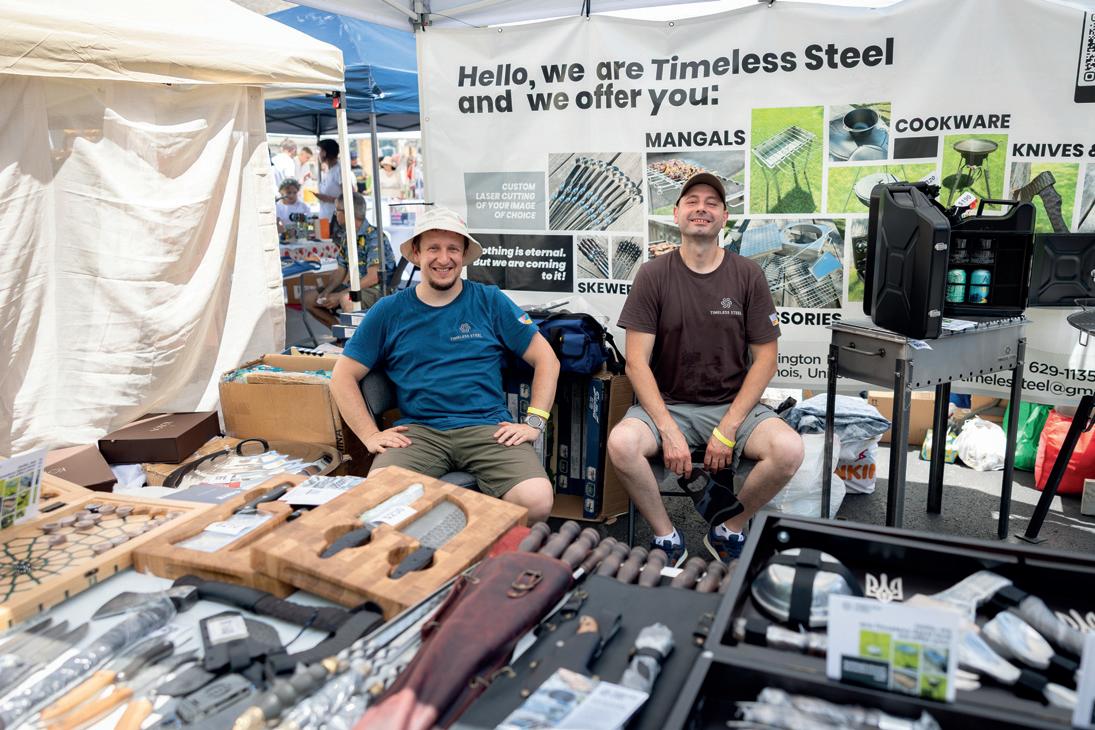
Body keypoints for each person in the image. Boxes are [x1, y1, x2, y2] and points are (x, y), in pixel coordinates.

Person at [606, 173, 804, 566]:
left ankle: (728, 528)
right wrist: (668, 430)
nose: (701, 208)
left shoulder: (748, 275)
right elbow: (636, 363)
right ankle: (666, 536)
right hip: (667, 405)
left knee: (789, 449)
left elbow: (766, 360)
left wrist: (728, 428)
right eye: (692, 201)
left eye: (712, 203)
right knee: (621, 443)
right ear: (676, 214)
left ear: (725, 217)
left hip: (732, 406)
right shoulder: (653, 275)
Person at [330, 207, 559, 522]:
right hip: (419, 433)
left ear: (464, 255)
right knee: (379, 501)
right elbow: (341, 376)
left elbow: (546, 358)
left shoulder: (489, 300)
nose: (443, 258)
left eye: (453, 248)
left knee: (536, 500)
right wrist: (369, 435)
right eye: (433, 248)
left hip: (488, 428)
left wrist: (534, 422)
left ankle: (489, 550)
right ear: (416, 253)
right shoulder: (388, 310)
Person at [303, 192, 395, 327]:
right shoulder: (348, 236)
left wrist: (339, 295)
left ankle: (355, 339)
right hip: (355, 287)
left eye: (337, 210)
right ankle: (341, 335)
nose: (335, 214)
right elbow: (341, 269)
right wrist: (327, 291)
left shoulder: (374, 236)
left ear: (348, 213)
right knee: (308, 298)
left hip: (377, 290)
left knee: (347, 299)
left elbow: (373, 278)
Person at [314, 139, 342, 224]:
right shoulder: (330, 170)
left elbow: (351, 196)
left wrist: (327, 198)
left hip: (335, 222)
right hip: (325, 219)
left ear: (324, 153)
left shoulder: (339, 170)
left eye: (319, 151)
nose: (318, 154)